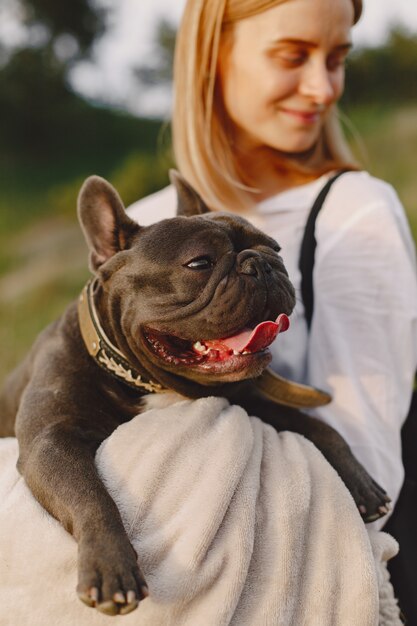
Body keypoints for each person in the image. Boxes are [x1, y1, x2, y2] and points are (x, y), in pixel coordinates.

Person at [129, 0, 417, 538]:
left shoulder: (353, 214)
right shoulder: (141, 226)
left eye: (337, 58)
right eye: (292, 56)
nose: (324, 89)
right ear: (213, 56)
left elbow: (368, 466)